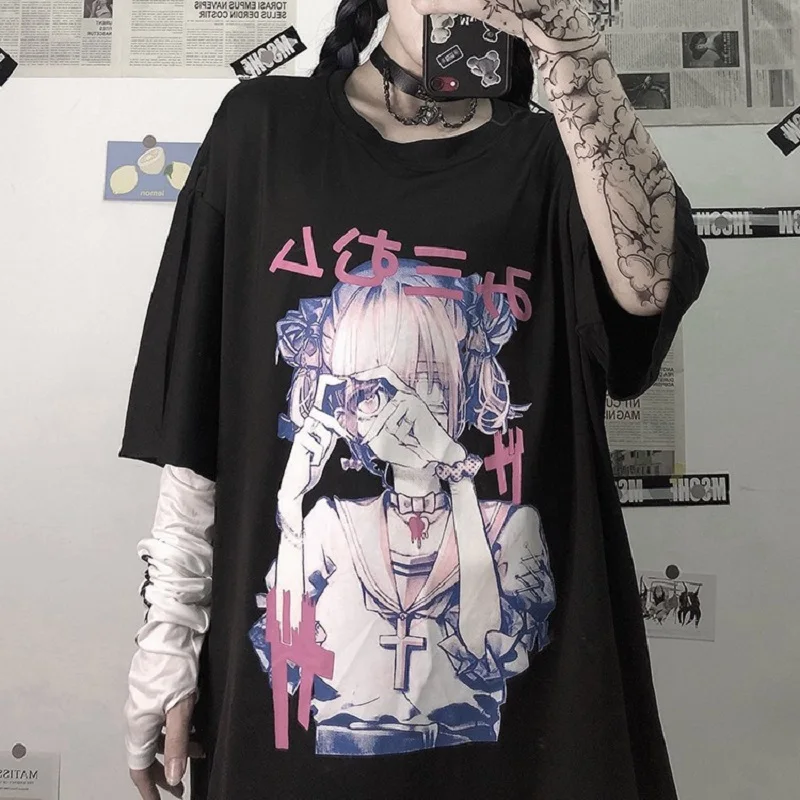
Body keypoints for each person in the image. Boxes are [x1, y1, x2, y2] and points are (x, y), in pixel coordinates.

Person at [118, 1, 709, 798]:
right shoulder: (263, 130)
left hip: (530, 745)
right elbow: (194, 420)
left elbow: (649, 286)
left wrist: (564, 37)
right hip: (303, 756)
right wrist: (167, 640)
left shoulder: (551, 157)